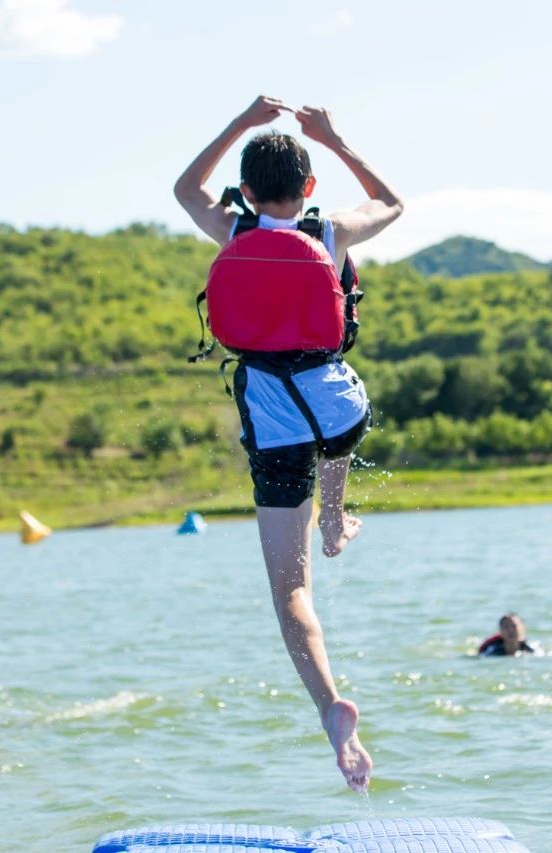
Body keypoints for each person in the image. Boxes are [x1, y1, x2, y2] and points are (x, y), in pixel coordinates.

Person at [173, 95, 403, 792]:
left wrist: (240, 124)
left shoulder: (230, 229)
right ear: (308, 188)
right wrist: (333, 139)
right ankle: (334, 516)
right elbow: (391, 201)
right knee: (337, 436)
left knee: (291, 588)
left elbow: (185, 188)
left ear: (245, 190)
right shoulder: (330, 230)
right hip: (338, 407)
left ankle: (332, 706)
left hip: (273, 419)